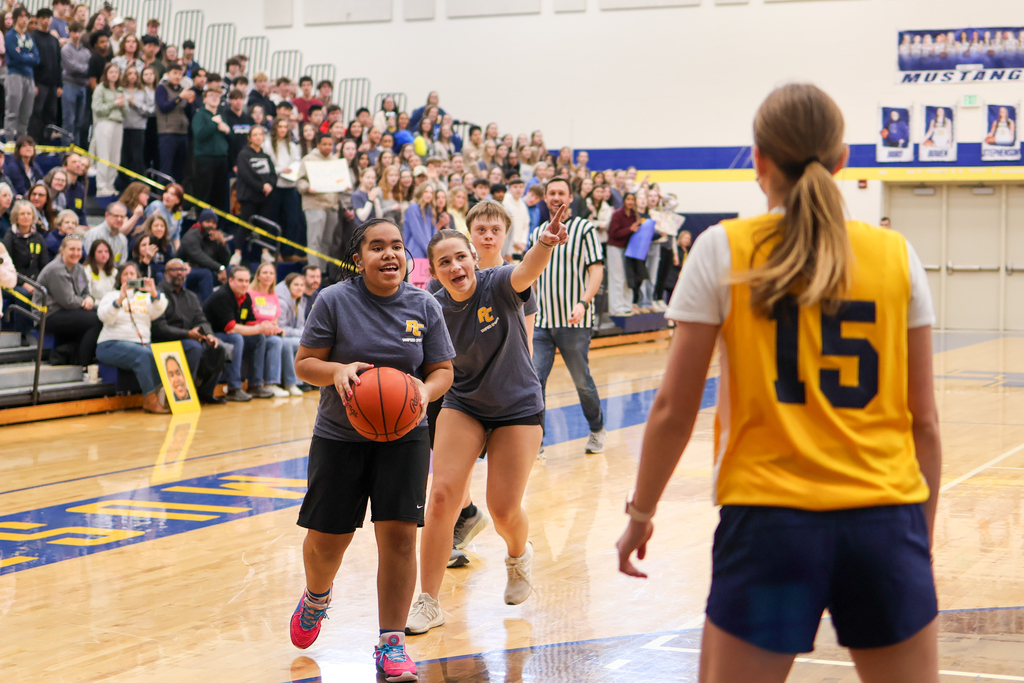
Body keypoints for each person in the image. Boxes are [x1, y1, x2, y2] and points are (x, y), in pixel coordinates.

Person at [615, 83, 942, 683]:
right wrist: (915, 542)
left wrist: (641, 512)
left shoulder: (723, 249)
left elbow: (672, 410)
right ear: (842, 160)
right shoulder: (898, 255)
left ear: (759, 159)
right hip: (884, 520)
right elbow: (924, 421)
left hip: (770, 525)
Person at [289, 218, 455, 683]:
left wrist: (424, 390)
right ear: (358, 258)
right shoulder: (334, 301)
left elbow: (444, 370)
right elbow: (304, 364)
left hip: (405, 436)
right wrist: (337, 371)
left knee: (400, 537)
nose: (389, 255)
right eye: (377, 247)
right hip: (340, 437)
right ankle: (317, 597)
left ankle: (391, 642)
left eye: (397, 246)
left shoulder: (424, 305)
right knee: (327, 540)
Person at [406, 202, 567, 634]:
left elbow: (528, 269)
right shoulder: (432, 308)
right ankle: (428, 601)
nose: (455, 265)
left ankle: (518, 555)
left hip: (517, 407)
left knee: (503, 509)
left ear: (474, 258)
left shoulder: (499, 282)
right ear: (435, 271)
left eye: (461, 257)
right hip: (466, 404)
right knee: (440, 497)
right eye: (444, 262)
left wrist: (545, 243)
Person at [528, 177, 605, 454]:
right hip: (542, 322)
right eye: (552, 193)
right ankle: (536, 441)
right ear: (545, 198)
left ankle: (597, 429)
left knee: (581, 380)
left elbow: (596, 269)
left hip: (575, 320)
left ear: (571, 198)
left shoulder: (585, 229)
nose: (557, 196)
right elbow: (531, 275)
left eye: (562, 192)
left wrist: (584, 302)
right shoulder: (536, 232)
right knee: (534, 381)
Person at [95, 262, 170, 414]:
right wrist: (120, 299)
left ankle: (167, 397)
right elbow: (104, 317)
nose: (129, 277)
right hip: (111, 344)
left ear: (138, 278)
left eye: (132, 274)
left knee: (162, 354)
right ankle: (150, 400)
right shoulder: (112, 295)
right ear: (120, 278)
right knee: (144, 354)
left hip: (140, 343)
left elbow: (159, 310)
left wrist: (154, 293)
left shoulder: (145, 297)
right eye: (125, 274)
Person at [152, 258, 227, 405]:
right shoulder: (158, 295)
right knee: (193, 347)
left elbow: (201, 320)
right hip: (164, 339)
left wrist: (209, 334)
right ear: (165, 274)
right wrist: (188, 334)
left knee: (218, 347)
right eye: (175, 269)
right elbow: (160, 328)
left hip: (189, 337)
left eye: (182, 270)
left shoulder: (191, 296)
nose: (179, 273)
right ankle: (186, 394)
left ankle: (205, 392)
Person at [203, 265, 275, 401]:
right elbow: (231, 327)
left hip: (228, 334)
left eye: (247, 281)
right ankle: (233, 388)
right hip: (211, 336)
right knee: (236, 338)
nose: (244, 284)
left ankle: (255, 385)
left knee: (259, 338)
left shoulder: (245, 297)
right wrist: (259, 328)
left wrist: (264, 326)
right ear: (230, 281)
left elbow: (251, 323)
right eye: (241, 281)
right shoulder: (222, 296)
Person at [33, 234, 102, 366]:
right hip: (48, 315)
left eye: (79, 249)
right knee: (95, 320)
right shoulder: (56, 269)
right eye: (72, 249)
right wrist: (87, 303)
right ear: (62, 250)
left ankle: (76, 357)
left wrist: (89, 298)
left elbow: (85, 291)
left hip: (66, 312)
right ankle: (84, 363)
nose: (76, 253)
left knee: (96, 317)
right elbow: (68, 301)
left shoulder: (79, 268)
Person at [249, 262, 299, 397]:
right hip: (254, 330)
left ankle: (282, 384)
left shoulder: (274, 296)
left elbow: (275, 321)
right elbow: (247, 316)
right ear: (258, 276)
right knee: (273, 341)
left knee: (281, 342)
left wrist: (272, 328)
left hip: (270, 333)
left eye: (271, 273)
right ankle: (266, 384)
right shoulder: (250, 293)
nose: (268, 276)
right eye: (265, 273)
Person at [296, 133, 341, 271]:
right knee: (314, 240)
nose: (328, 147)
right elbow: (299, 182)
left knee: (327, 241)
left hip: (331, 205)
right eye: (325, 144)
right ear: (318, 144)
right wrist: (307, 187)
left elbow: (339, 180)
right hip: (314, 204)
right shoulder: (308, 160)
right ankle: (312, 271)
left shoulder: (335, 160)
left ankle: (322, 272)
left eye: (330, 144)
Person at [234, 125, 276, 264]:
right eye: (255, 134)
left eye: (260, 134)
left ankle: (265, 252)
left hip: (265, 197)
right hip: (249, 196)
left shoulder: (266, 156)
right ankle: (237, 253)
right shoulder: (243, 154)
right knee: (245, 225)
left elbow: (272, 174)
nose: (258, 137)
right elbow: (247, 174)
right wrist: (261, 185)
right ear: (249, 138)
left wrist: (270, 184)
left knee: (266, 225)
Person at [263, 116, 304, 260]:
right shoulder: (268, 144)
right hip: (275, 185)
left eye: (285, 127)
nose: (282, 130)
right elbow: (268, 164)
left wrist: (291, 170)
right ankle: (275, 251)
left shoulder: (291, 145)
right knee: (274, 220)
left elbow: (296, 162)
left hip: (289, 185)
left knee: (292, 220)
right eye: (280, 127)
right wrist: (281, 170)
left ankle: (289, 252)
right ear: (275, 128)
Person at [191, 86, 231, 217]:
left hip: (221, 159)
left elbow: (231, 136)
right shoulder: (200, 115)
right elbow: (199, 134)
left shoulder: (221, 116)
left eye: (217, 96)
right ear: (204, 99)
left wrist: (227, 130)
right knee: (204, 193)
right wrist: (214, 124)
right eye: (212, 95)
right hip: (205, 159)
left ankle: (217, 225)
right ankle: (201, 222)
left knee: (219, 194)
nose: (215, 98)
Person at [177, 209, 230, 302]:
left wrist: (223, 243)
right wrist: (219, 268)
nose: (211, 225)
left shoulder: (213, 237)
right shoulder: (191, 235)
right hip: (185, 270)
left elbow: (225, 262)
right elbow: (198, 257)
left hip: (206, 269)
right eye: (208, 221)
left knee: (232, 271)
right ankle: (207, 310)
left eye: (214, 223)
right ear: (201, 222)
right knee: (206, 274)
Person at [89, 61, 125, 197]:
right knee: (104, 156)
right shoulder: (100, 88)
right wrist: (114, 103)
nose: (114, 75)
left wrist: (124, 104)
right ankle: (101, 186)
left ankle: (110, 185)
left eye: (116, 72)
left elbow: (126, 112)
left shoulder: (120, 90)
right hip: (104, 123)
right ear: (106, 74)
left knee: (115, 157)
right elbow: (97, 108)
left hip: (118, 124)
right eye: (111, 72)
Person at [155, 63, 194, 182]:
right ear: (167, 74)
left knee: (180, 168)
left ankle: (177, 196)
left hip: (182, 133)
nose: (178, 76)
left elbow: (188, 113)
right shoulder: (161, 88)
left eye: (180, 74)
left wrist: (190, 102)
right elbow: (163, 107)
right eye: (175, 73)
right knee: (166, 168)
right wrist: (179, 97)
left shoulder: (183, 90)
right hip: (167, 133)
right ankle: (162, 195)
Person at [5, 7, 39, 142]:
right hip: (15, 75)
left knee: (26, 112)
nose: (25, 19)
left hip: (29, 76)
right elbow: (15, 57)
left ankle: (21, 140)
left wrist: (23, 54)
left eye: (27, 17)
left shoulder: (29, 37)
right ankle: (8, 139)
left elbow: (37, 58)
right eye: (22, 16)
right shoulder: (10, 36)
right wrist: (27, 55)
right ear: (15, 18)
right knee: (13, 110)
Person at [29, 8, 61, 143]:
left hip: (53, 84)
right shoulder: (33, 37)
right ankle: (34, 141)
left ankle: (46, 143)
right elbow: (32, 63)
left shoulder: (54, 40)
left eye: (48, 17)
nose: (46, 20)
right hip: (40, 82)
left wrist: (60, 84)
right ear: (38, 19)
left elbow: (58, 63)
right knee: (37, 112)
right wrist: (34, 83)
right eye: (43, 17)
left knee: (50, 114)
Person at [2, 199, 49, 285]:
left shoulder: (38, 237)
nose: (26, 217)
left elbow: (44, 264)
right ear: (16, 216)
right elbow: (6, 267)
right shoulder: (9, 237)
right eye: (22, 214)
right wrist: (23, 283)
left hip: (36, 282)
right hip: (16, 283)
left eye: (29, 214)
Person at [120, 64, 153, 179]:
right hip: (122, 127)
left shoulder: (144, 91)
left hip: (138, 128)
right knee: (123, 158)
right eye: (130, 73)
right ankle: (123, 184)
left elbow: (151, 111)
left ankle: (139, 185)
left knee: (137, 158)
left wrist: (135, 104)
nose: (132, 76)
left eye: (135, 73)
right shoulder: (120, 89)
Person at [59, 21, 89, 145]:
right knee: (69, 120)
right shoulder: (66, 49)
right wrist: (84, 69)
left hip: (82, 87)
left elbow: (89, 67)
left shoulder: (86, 51)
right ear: (70, 33)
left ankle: (74, 149)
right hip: (69, 86)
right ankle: (66, 150)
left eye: (79, 32)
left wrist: (82, 69)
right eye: (74, 32)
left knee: (79, 121)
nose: (77, 35)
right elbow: (72, 68)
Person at [83, 201, 140, 266]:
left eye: (122, 217)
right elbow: (89, 259)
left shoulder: (123, 239)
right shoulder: (94, 234)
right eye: (116, 216)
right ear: (106, 215)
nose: (119, 219)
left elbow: (122, 264)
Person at [404, 181, 445, 260]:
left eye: (431, 193)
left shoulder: (430, 210)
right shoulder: (413, 207)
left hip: (428, 254)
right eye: (426, 192)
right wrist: (428, 251)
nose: (429, 195)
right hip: (414, 252)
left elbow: (434, 233)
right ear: (420, 192)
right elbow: (417, 232)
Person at [144, 182, 184, 247]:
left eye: (172, 194)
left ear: (178, 200)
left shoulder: (178, 213)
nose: (167, 196)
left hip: (166, 245)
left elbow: (176, 235)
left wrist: (178, 252)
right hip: (151, 243)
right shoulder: (156, 205)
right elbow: (146, 228)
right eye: (166, 192)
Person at [222, 88, 253, 168]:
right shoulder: (225, 117)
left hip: (246, 156)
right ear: (230, 101)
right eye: (235, 99)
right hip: (229, 157)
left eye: (240, 99)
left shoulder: (248, 118)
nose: (238, 101)